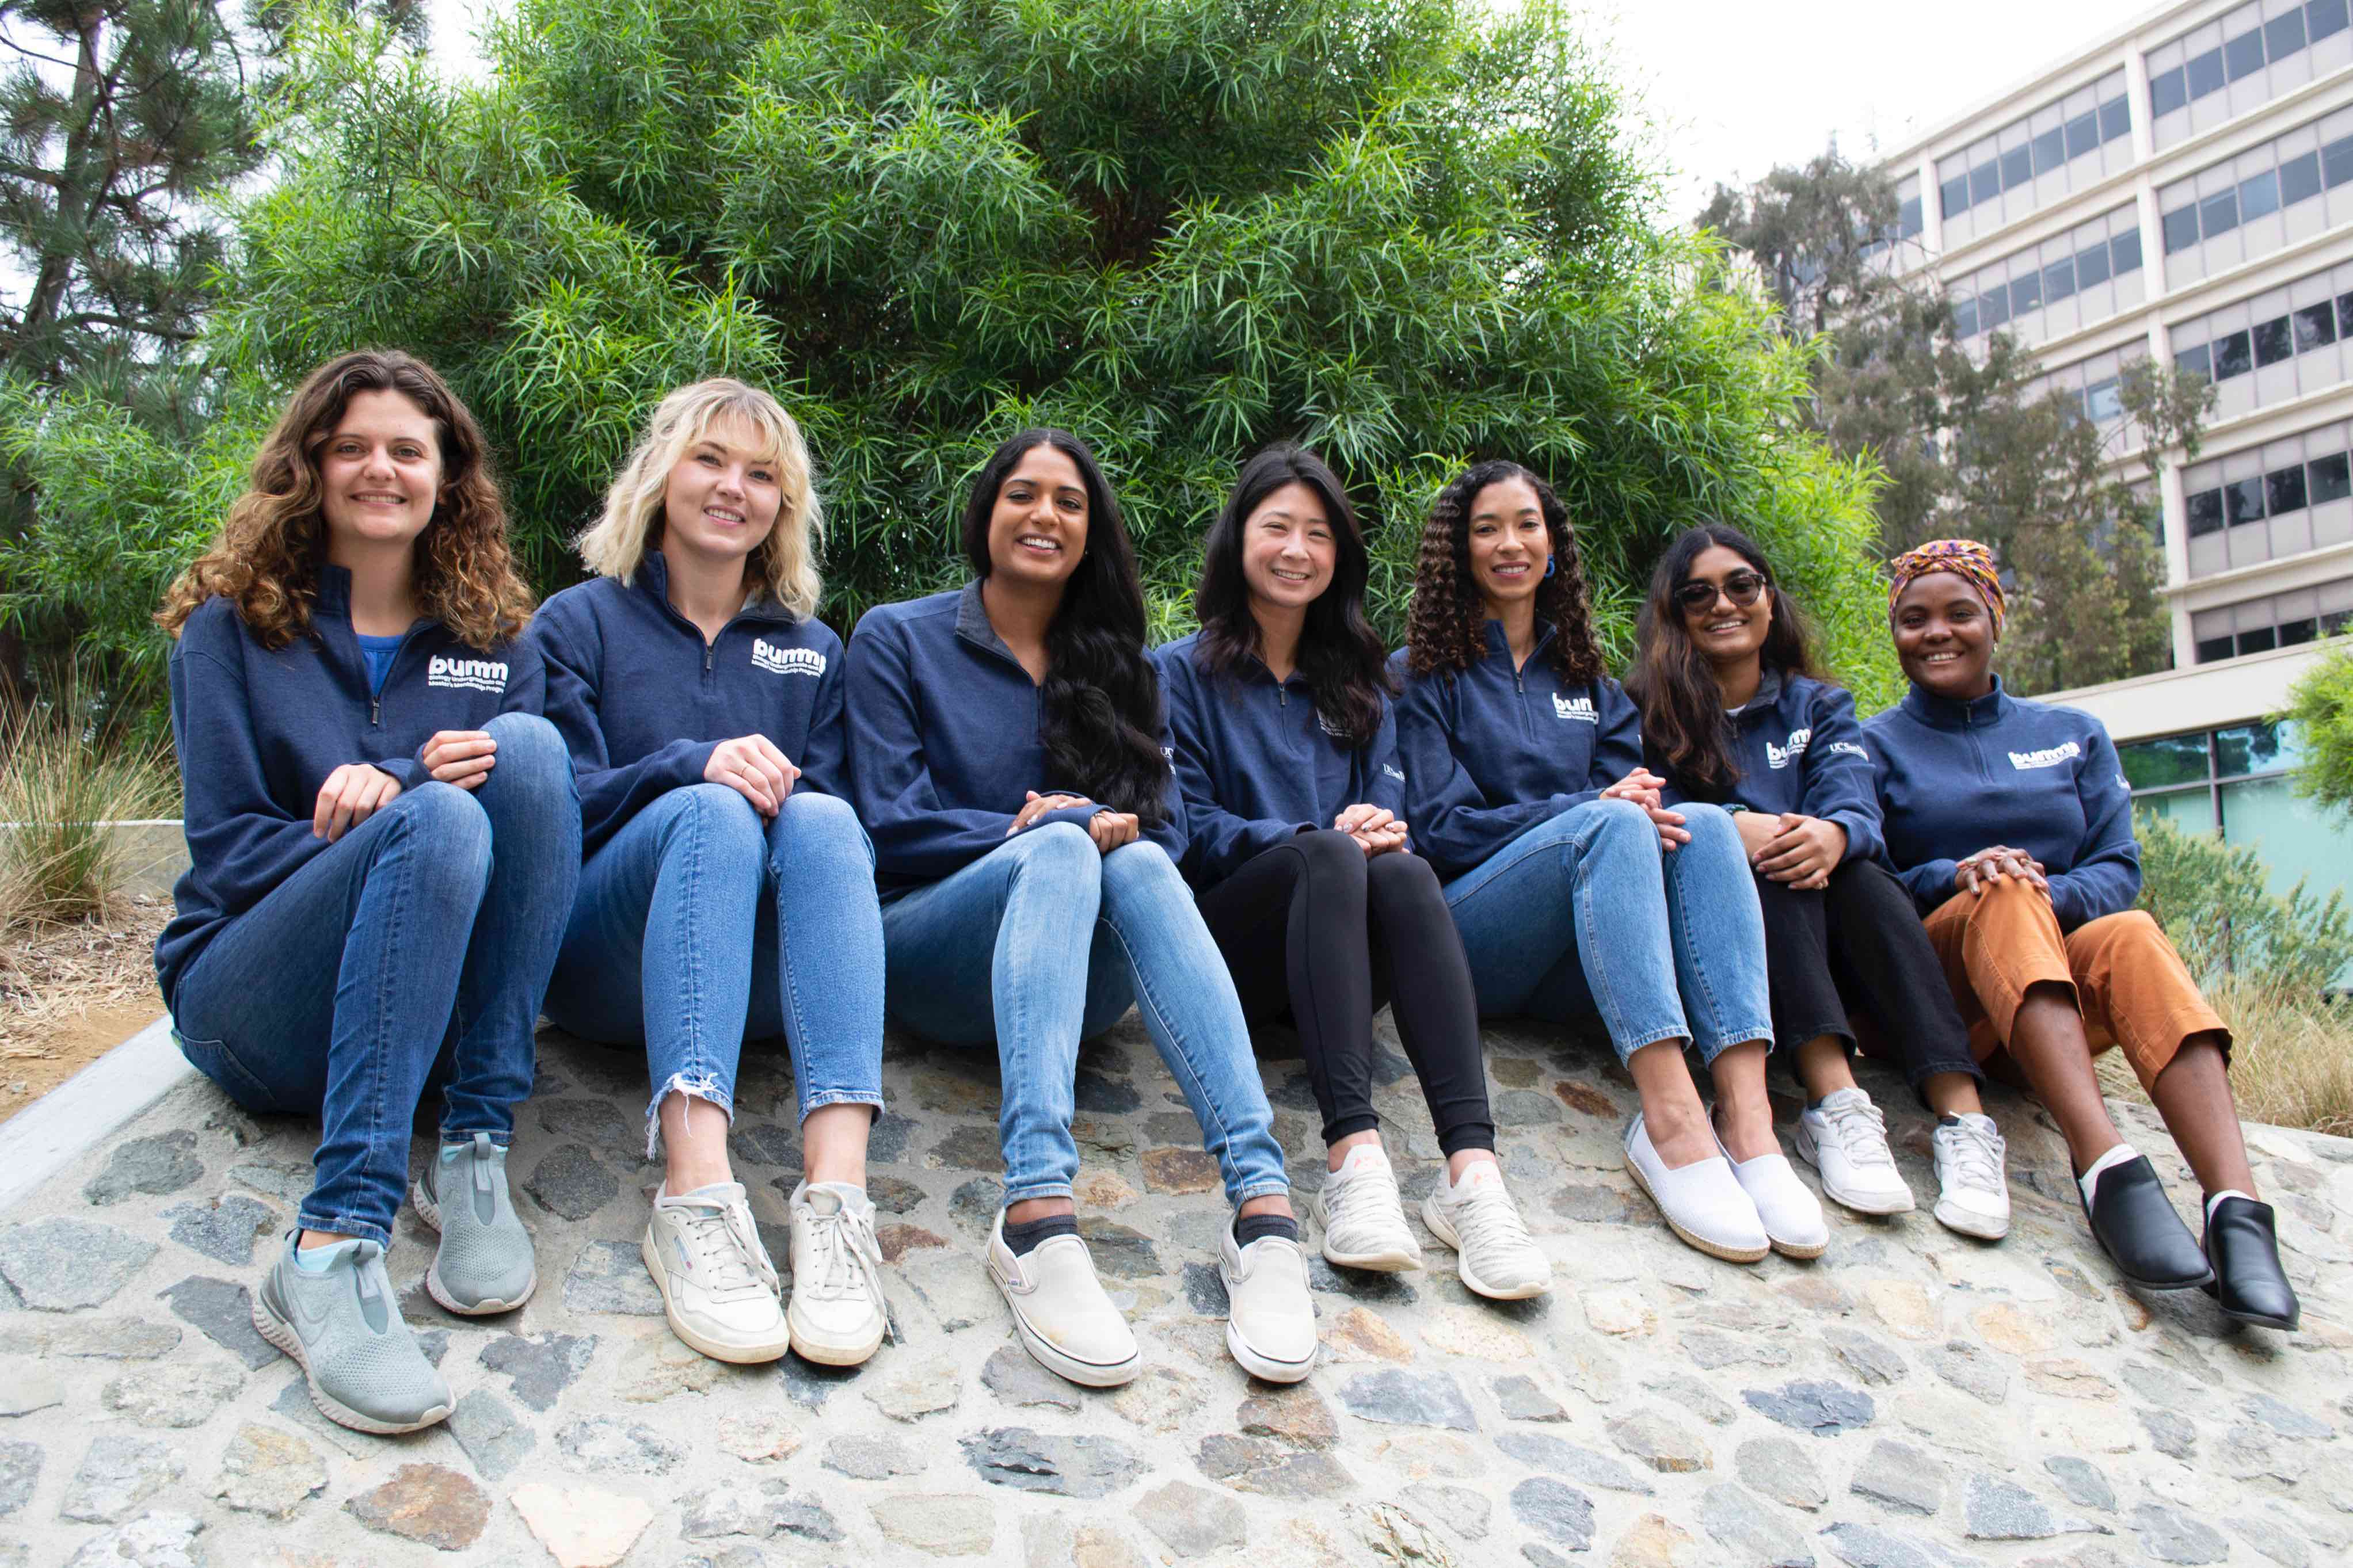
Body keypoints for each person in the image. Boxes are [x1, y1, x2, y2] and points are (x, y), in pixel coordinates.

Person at [155, 349, 580, 1433]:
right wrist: (389, 813)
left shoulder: (496, 642)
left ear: (448, 477)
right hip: (256, 998)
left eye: (405, 449)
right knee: (437, 811)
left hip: (421, 1016)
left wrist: (392, 784)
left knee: (529, 749)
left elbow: (527, 832)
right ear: (308, 467)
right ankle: (333, 1241)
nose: (377, 469)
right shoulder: (232, 632)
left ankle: (476, 1146)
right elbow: (228, 854)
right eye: (350, 448)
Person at [847, 429, 1316, 1386]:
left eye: (1069, 502)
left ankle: (1264, 1214)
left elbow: (1172, 832)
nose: (1044, 515)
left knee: (1138, 862)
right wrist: (1021, 827)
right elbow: (884, 826)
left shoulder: (1119, 666)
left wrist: (1104, 825)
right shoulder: (898, 636)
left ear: (1091, 532)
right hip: (936, 949)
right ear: (986, 513)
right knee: (1060, 840)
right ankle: (1035, 1214)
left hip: (1083, 975)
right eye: (1023, 493)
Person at [530, 379, 889, 1368]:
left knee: (820, 814)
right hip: (608, 964)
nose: (733, 488)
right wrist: (691, 764)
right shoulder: (575, 625)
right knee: (712, 805)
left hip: (765, 981)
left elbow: (847, 844)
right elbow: (553, 813)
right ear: (659, 474)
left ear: (784, 505)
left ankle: (837, 1201)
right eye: (710, 460)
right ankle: (690, 1190)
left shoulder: (814, 651)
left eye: (761, 475)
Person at [1392, 460, 1823, 1264]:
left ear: (1553, 546)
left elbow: (1645, 805)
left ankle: (1748, 1122)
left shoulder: (1591, 682)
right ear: (1459, 551)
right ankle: (1670, 1122)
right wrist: (1588, 810)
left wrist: (1623, 812)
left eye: (1528, 524)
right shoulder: (1418, 673)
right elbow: (1440, 829)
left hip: (1590, 956)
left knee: (1702, 821)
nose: (1510, 543)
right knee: (1616, 822)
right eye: (1487, 527)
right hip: (1471, 939)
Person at [1867, 539, 2297, 1329]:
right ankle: (2104, 1165)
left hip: (2050, 981)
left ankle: (2238, 1210)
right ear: (1894, 631)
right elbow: (1870, 875)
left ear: (1994, 619)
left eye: (1959, 613)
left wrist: (2042, 890)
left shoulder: (2074, 733)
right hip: (1940, 998)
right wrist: (1959, 874)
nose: (1937, 632)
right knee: (1999, 890)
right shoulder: (1872, 744)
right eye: (1913, 618)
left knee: (2129, 930)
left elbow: (2117, 869)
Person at [1160, 445, 1550, 1300]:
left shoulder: (1365, 684)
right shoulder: (1176, 674)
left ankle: (1473, 1178)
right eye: (1277, 529)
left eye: (1318, 533)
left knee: (1405, 873)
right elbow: (1187, 830)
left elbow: (1390, 815)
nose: (1297, 549)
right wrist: (1314, 834)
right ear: (1239, 542)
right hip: (1237, 950)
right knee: (1333, 851)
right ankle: (1354, 1161)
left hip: (1344, 952)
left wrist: (1374, 828)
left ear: (1339, 556)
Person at [1626, 524, 2009, 1238]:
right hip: (1723, 943)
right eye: (1697, 593)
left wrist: (1835, 833)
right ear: (1673, 613)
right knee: (1767, 860)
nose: (1723, 605)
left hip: (1839, 929)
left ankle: (1963, 1118)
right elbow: (1635, 805)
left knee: (1856, 867)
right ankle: (1833, 1101)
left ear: (1769, 600)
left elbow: (1855, 803)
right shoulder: (1643, 711)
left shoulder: (1818, 705)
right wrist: (1725, 825)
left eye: (1741, 585)